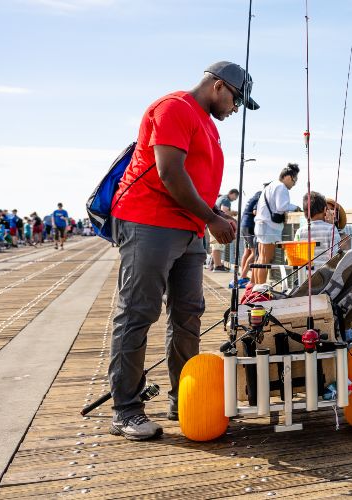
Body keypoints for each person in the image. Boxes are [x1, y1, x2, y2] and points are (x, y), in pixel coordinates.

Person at [107, 61, 258, 441]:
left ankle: (184, 397)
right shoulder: (174, 107)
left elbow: (195, 178)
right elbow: (170, 173)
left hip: (189, 229)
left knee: (189, 314)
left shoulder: (206, 121)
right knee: (138, 312)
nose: (236, 108)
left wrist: (213, 212)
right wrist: (212, 218)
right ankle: (126, 409)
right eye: (237, 100)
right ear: (219, 86)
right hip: (150, 222)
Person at [252, 163, 300, 284]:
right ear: (288, 177)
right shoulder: (281, 187)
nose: (294, 184)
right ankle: (260, 290)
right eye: (294, 181)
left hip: (262, 225)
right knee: (265, 260)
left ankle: (256, 288)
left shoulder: (271, 185)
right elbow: (282, 206)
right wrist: (296, 207)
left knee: (261, 259)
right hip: (269, 227)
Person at [293, 191, 350, 266]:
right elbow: (336, 257)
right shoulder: (331, 229)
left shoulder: (300, 231)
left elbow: (296, 255)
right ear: (324, 210)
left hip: (305, 275)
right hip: (325, 276)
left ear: (305, 213)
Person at [234, 185, 265, 288]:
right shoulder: (260, 196)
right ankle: (243, 277)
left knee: (247, 251)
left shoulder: (253, 197)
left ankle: (242, 276)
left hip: (243, 226)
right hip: (250, 226)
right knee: (255, 251)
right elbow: (255, 211)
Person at [209, 189, 239, 272]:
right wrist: (233, 213)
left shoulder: (220, 198)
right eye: (235, 197)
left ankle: (214, 265)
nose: (235, 199)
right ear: (232, 193)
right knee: (218, 246)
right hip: (219, 224)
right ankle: (218, 266)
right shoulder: (226, 200)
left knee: (214, 246)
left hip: (213, 223)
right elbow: (224, 211)